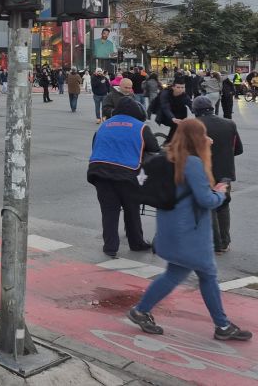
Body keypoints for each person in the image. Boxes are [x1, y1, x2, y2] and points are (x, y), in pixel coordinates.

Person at [128, 120, 251, 342]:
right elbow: (206, 200)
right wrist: (220, 192)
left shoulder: (169, 155)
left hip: (172, 227)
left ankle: (221, 324)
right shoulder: (192, 163)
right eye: (203, 135)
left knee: (193, 274)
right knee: (194, 274)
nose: (207, 138)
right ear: (196, 138)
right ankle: (221, 326)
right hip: (189, 233)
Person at [87, 99, 158, 257]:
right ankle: (136, 242)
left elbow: (95, 145)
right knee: (131, 209)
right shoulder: (141, 127)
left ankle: (110, 246)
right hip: (128, 174)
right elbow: (154, 148)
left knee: (109, 211)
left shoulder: (104, 125)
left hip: (99, 172)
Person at [190, 96, 242, 254]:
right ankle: (224, 242)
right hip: (225, 172)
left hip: (203, 172)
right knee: (223, 205)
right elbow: (238, 149)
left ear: (196, 111)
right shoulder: (229, 123)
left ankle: (214, 244)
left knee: (207, 207)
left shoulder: (194, 126)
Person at [156, 78, 192, 144]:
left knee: (183, 127)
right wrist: (173, 118)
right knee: (176, 124)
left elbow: (191, 105)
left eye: (182, 87)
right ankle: (167, 144)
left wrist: (201, 115)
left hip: (179, 115)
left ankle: (176, 142)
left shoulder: (185, 96)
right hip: (165, 115)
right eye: (178, 87)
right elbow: (165, 107)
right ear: (173, 87)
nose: (180, 89)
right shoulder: (165, 93)